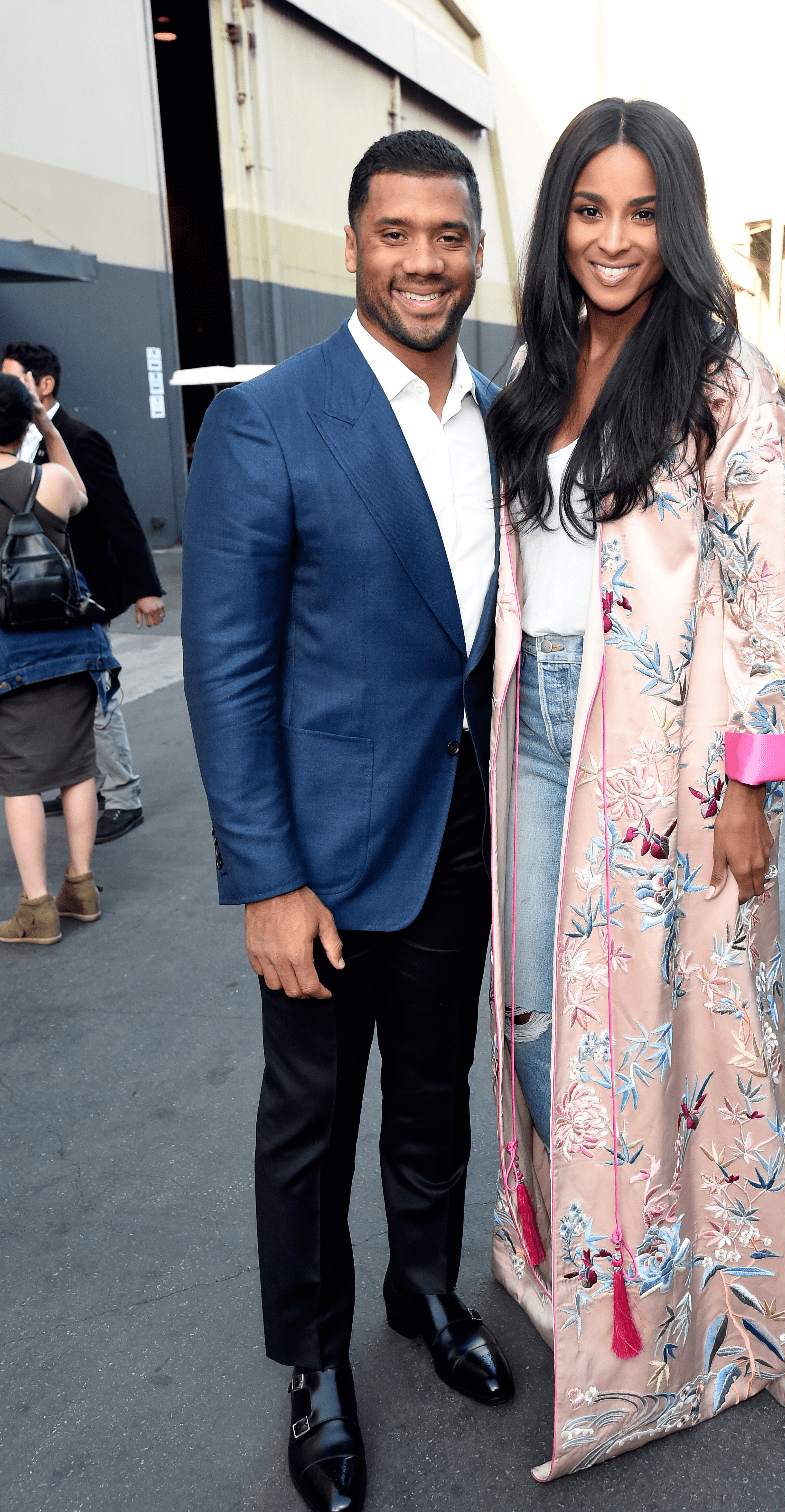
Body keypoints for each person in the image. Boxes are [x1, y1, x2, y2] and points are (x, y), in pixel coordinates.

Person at [483, 97, 785, 1482]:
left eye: (639, 211)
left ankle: (691, 1321)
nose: (612, 239)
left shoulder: (717, 375)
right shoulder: (533, 361)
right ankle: (595, 1268)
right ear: (558, 216)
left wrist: (753, 788)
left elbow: (766, 599)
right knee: (529, 1020)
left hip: (667, 758)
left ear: (672, 219)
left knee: (676, 1041)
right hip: (534, 730)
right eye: (587, 208)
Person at [181, 130, 513, 1512]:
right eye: (397, 234)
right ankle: (313, 1373)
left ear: (474, 250)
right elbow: (228, 669)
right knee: (310, 1127)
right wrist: (264, 877)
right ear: (352, 244)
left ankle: (422, 1294)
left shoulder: (502, 416)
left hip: (459, 838)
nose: (423, 260)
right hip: (316, 864)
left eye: (447, 235)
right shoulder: (268, 420)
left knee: (431, 1101)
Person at [2, 341, 166, 843]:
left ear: (42, 385)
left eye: (12, 379)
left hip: (79, 594)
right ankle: (83, 785)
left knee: (94, 700)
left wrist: (147, 590)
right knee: (65, 699)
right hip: (31, 597)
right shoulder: (22, 442)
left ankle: (122, 796)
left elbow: (117, 514)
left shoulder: (79, 438)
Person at [0, 373, 119, 943]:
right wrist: (46, 427)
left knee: (19, 777)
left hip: (8, 653)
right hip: (72, 645)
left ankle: (38, 907)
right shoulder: (50, 481)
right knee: (77, 766)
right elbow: (83, 493)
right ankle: (81, 885)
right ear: (24, 421)